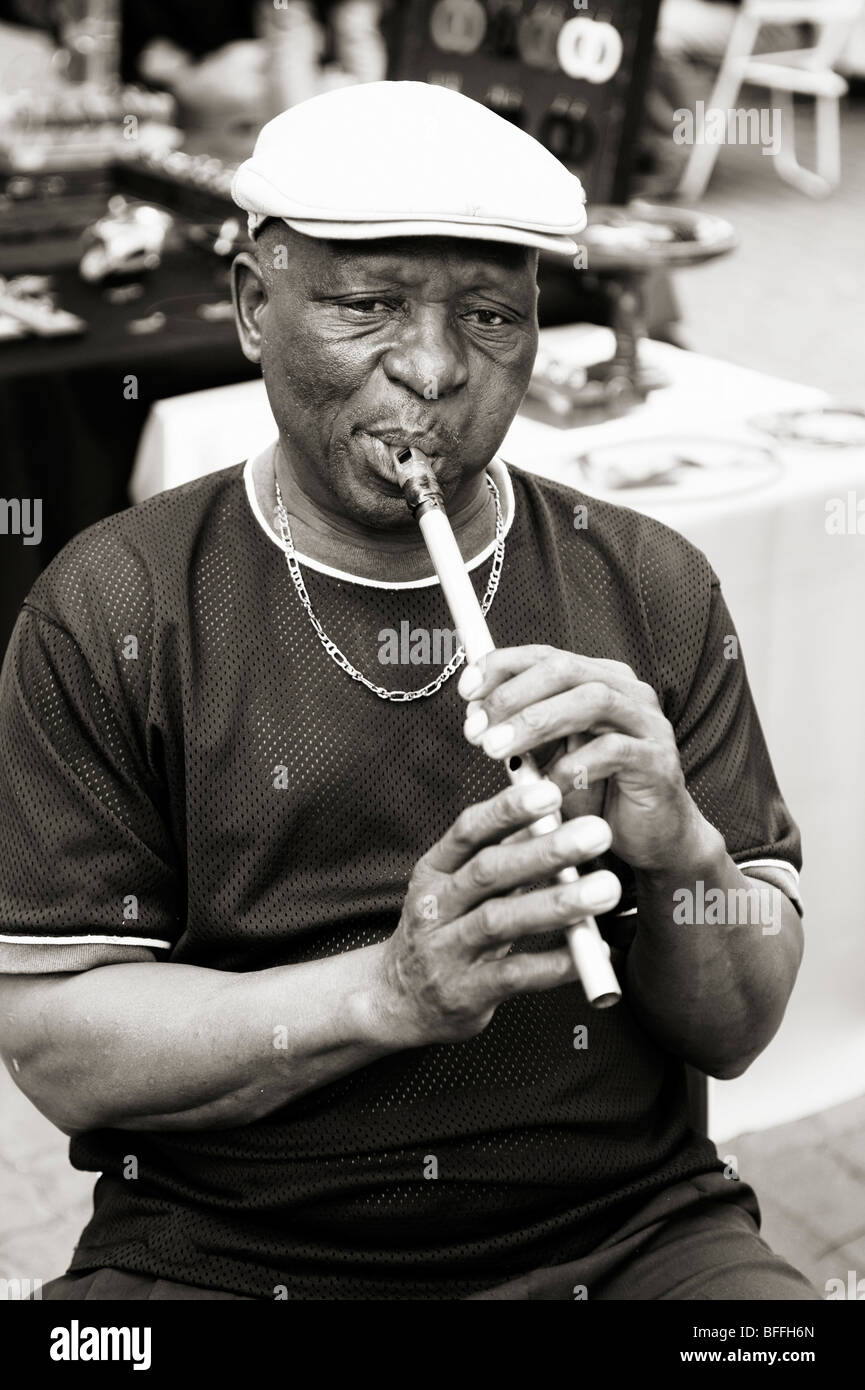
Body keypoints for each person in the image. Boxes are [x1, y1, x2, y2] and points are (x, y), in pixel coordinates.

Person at [0, 81, 818, 1301]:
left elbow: (739, 1030)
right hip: (228, 1256)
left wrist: (681, 849)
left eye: (489, 316)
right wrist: (388, 993)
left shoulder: (651, 581)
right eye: (368, 306)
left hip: (630, 1235)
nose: (432, 372)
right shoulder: (111, 607)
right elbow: (61, 1048)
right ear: (249, 307)